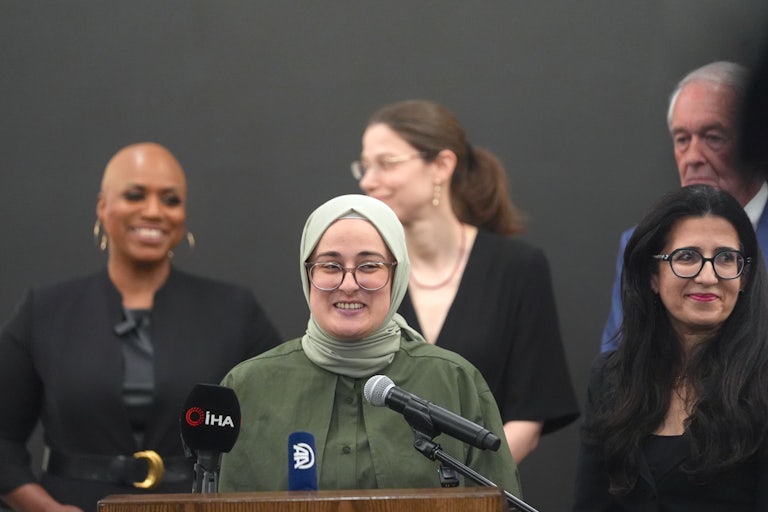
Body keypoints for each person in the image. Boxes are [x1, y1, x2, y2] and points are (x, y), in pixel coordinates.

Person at [0, 142, 281, 512]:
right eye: (135, 195)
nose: (153, 211)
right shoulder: (44, 310)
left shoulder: (235, 310)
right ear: (102, 207)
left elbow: (279, 432)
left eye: (170, 200)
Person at [218, 194, 521, 495]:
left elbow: (502, 501)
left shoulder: (454, 381)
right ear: (307, 274)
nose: (349, 285)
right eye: (331, 266)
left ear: (397, 273)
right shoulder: (248, 387)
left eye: (369, 266)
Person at [352, 99, 579, 463]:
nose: (367, 180)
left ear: (441, 165)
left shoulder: (517, 268)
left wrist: (465, 488)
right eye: (364, 166)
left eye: (386, 163)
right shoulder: (365, 273)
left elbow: (528, 415)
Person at [573, 185, 768, 511]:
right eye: (687, 257)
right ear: (653, 275)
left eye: (726, 258)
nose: (708, 276)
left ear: (744, 277)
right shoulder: (611, 378)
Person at [601, 61, 768, 352]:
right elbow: (619, 366)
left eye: (713, 138)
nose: (692, 157)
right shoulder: (642, 242)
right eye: (682, 139)